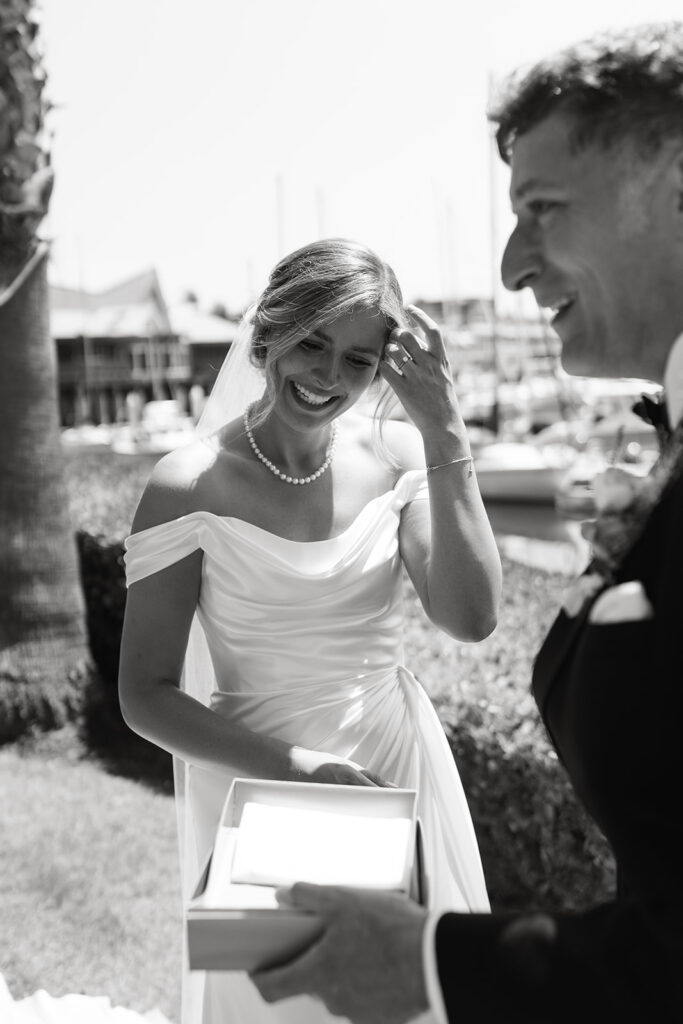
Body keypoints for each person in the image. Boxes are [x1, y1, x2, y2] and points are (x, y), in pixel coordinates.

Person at [251, 22, 683, 1024]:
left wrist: (437, 961)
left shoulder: (399, 465)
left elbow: (471, 613)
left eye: (541, 209)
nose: (507, 264)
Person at [118, 237, 501, 1024]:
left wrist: (445, 434)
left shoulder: (400, 458)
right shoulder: (186, 484)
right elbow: (144, 695)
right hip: (256, 781)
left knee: (405, 999)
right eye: (313, 342)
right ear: (268, 333)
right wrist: (295, 766)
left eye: (359, 360)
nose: (329, 377)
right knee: (277, 1001)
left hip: (394, 770)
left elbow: (469, 618)